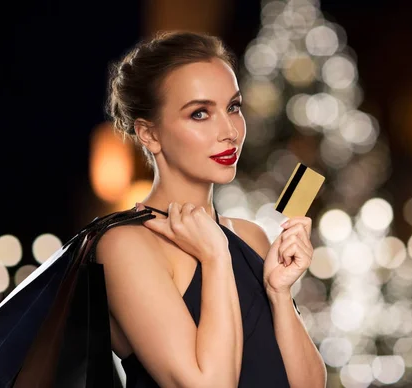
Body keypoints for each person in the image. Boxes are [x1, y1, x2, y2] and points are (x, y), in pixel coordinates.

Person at [97, 30, 327, 388]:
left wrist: (280, 295)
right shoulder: (124, 245)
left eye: (233, 107)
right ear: (149, 134)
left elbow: (309, 386)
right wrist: (216, 257)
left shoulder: (250, 235)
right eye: (200, 113)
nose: (230, 131)